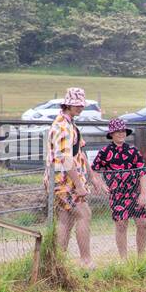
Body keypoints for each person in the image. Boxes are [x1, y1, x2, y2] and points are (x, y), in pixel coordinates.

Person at [44, 87, 94, 269]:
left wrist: (91, 175)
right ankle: (85, 260)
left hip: (64, 178)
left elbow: (78, 152)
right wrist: (80, 185)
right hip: (64, 179)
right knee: (84, 214)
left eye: (81, 104)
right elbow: (65, 159)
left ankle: (58, 262)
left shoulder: (69, 123)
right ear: (67, 104)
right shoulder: (63, 126)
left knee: (66, 218)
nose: (80, 107)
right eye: (76, 104)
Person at [91, 117, 146, 258]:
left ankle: (141, 257)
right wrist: (100, 183)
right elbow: (93, 170)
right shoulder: (105, 152)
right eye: (118, 131)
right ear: (112, 134)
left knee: (143, 223)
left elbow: (143, 172)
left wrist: (143, 194)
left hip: (134, 193)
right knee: (121, 225)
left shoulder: (133, 151)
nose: (121, 134)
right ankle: (124, 259)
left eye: (123, 131)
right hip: (117, 195)